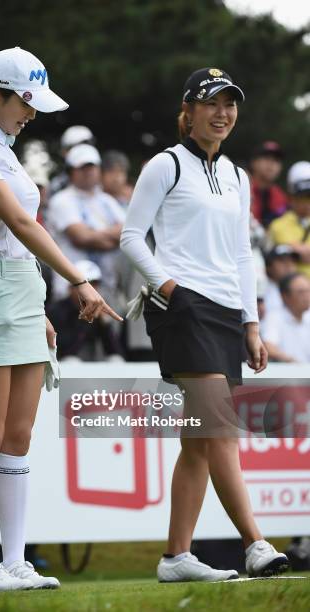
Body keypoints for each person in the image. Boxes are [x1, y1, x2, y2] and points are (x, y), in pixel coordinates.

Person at [0, 47, 121, 592]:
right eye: (24, 102)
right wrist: (78, 279)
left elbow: (21, 240)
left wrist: (41, 303)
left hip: (21, 290)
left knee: (18, 437)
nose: (32, 114)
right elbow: (18, 221)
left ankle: (15, 561)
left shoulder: (6, 149)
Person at [120, 67, 289, 582]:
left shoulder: (237, 176)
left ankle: (175, 558)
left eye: (230, 104)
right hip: (180, 308)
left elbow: (241, 254)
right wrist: (170, 288)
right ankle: (256, 543)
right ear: (189, 112)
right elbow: (131, 237)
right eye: (211, 104)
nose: (222, 114)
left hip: (223, 314)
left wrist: (252, 322)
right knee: (219, 431)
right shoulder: (165, 165)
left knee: (197, 442)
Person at [47, 143, 125, 306]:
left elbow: (128, 233)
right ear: (71, 171)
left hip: (107, 288)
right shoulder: (62, 200)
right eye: (82, 167)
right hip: (71, 292)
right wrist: (112, 237)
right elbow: (81, 237)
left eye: (92, 166)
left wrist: (94, 235)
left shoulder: (107, 201)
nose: (88, 172)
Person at [47, 260, 124, 361]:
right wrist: (85, 321)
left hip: (93, 363)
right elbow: (65, 351)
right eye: (88, 284)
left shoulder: (99, 309)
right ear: (71, 287)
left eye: (95, 284)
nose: (91, 289)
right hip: (60, 365)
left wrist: (105, 323)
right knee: (71, 361)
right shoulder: (56, 310)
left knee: (116, 360)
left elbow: (115, 350)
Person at [267, 161, 310, 278]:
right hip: (289, 292)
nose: (307, 203)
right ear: (292, 197)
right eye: (303, 197)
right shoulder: (277, 225)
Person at [261, 272, 310, 362]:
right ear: (285, 296)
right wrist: (292, 362)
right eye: (301, 292)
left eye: (308, 291)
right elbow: (269, 347)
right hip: (285, 372)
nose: (307, 296)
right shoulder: (274, 318)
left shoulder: (308, 317)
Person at [249, 141, 287, 228]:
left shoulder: (281, 197)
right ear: (254, 162)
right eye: (266, 158)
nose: (271, 164)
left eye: (276, 160)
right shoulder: (241, 189)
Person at [48, 124, 95, 196]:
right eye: (77, 147)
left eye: (87, 145)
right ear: (64, 152)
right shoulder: (57, 186)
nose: (84, 150)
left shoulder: (104, 181)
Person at [263, 245, 299, 314]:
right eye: (282, 260)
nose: (288, 264)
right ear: (269, 267)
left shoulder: (303, 290)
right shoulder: (260, 291)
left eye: (292, 260)